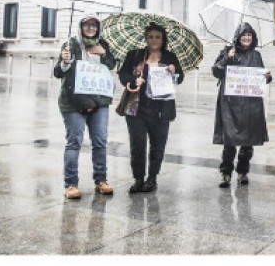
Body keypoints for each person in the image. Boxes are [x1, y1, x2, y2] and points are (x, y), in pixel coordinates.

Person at [53, 14, 116, 199]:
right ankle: (70, 184)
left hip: (99, 102)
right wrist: (65, 61)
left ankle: (101, 180)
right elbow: (58, 72)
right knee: (74, 142)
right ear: (81, 26)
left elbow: (111, 65)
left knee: (100, 142)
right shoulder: (70, 45)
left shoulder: (103, 44)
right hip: (73, 102)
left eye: (94, 25)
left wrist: (103, 54)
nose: (90, 28)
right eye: (87, 24)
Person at [118, 22, 185, 194]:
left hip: (161, 108)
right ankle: (138, 178)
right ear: (146, 38)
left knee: (158, 145)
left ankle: (152, 178)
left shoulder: (170, 57)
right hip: (136, 108)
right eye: (151, 36)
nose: (154, 40)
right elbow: (122, 74)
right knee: (137, 145)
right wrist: (133, 81)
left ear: (163, 39)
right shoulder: (135, 55)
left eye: (158, 37)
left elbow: (180, 77)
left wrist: (174, 70)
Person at [212, 22, 272, 188]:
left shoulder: (256, 55)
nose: (246, 38)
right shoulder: (227, 51)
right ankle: (225, 172)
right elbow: (216, 71)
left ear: (253, 38)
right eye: (243, 35)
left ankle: (243, 171)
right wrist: (227, 58)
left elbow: (261, 77)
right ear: (238, 37)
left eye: (249, 35)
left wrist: (267, 76)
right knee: (229, 141)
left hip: (251, 104)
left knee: (248, 142)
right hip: (230, 104)